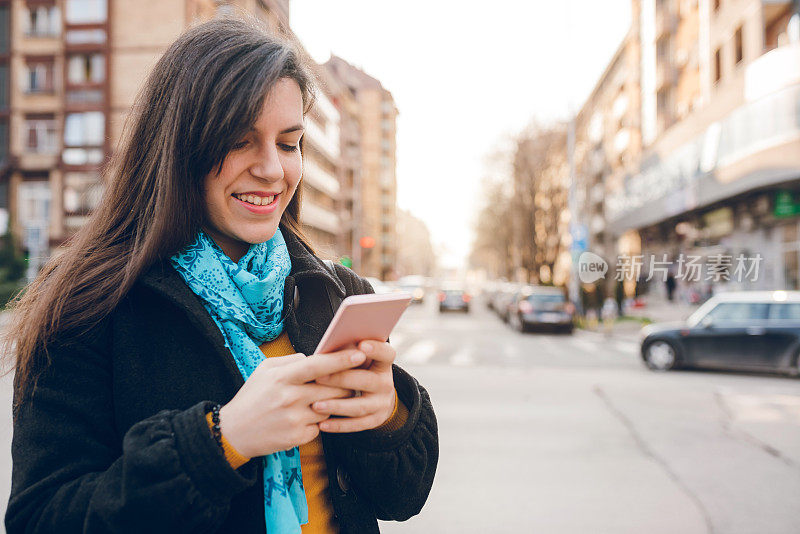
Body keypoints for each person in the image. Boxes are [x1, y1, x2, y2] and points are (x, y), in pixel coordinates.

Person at [3, 18, 437, 534]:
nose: (273, 170)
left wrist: (387, 413)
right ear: (180, 145)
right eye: (241, 140)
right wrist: (220, 441)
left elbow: (403, 495)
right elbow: (42, 517)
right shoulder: (89, 307)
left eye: (289, 142)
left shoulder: (338, 296)